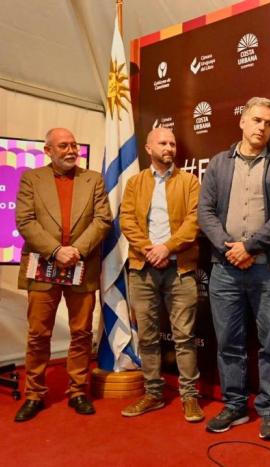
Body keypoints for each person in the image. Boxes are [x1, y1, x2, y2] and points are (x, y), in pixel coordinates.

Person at [198, 97, 270, 440]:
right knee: (228, 342)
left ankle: (269, 409)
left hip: (267, 268)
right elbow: (205, 213)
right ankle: (235, 405)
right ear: (242, 122)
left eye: (268, 123)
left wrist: (250, 247)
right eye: (256, 120)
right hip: (225, 269)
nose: (262, 128)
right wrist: (231, 249)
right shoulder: (218, 164)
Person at [14, 128, 112, 422]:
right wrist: (56, 250)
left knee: (81, 333)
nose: (71, 151)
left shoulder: (92, 178)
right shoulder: (31, 178)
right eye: (63, 146)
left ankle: (78, 391)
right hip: (44, 264)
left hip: (82, 264)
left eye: (74, 146)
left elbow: (103, 219)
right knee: (38, 334)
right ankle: (34, 394)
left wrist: (76, 251)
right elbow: (25, 221)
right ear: (48, 150)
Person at [119, 127, 203, 422]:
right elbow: (127, 219)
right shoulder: (135, 183)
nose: (169, 147)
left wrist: (166, 248)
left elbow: (195, 221)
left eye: (172, 142)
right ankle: (153, 393)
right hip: (143, 268)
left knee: (184, 336)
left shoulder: (190, 181)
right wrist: (148, 249)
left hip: (180, 268)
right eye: (163, 142)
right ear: (148, 148)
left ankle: (189, 396)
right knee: (148, 336)